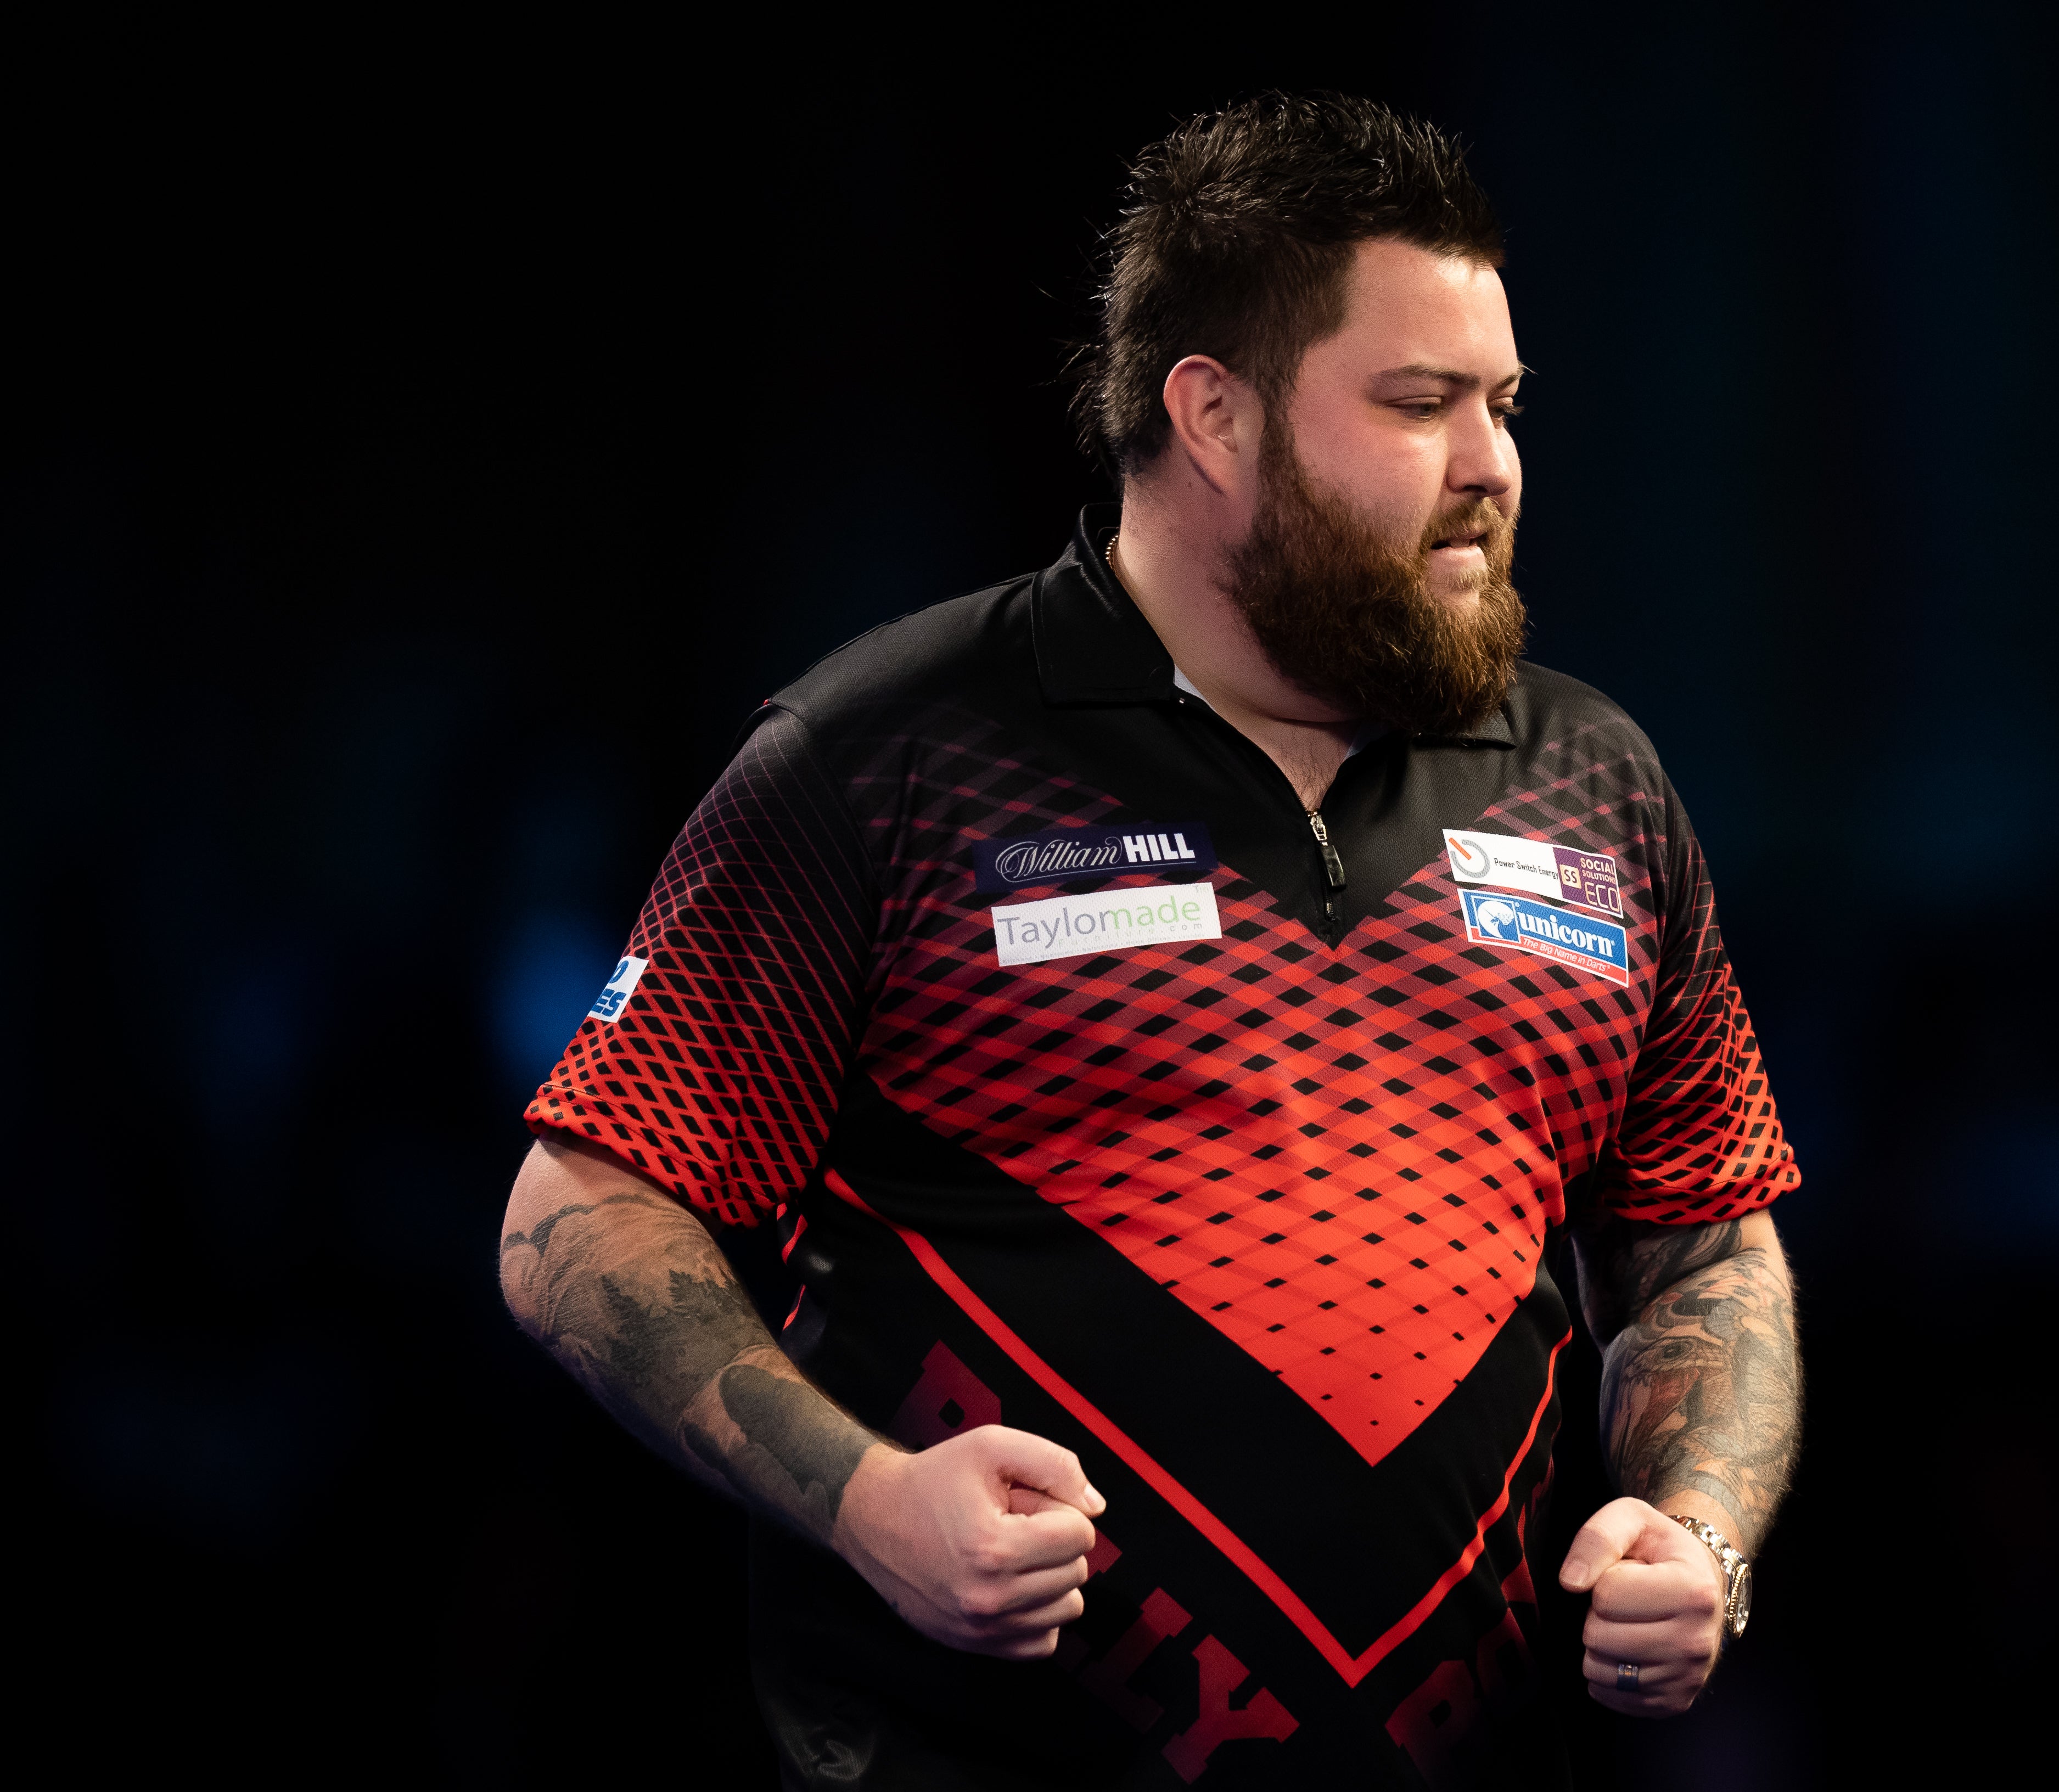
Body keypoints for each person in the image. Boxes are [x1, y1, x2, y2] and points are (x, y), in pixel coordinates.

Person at [498, 92, 1801, 1791]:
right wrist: (866, 1496)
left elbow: (1709, 1242)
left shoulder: (1591, 777)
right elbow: (577, 1213)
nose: (1490, 464)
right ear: (1215, 415)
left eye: (1502, 404)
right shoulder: (891, 748)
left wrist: (1697, 1528)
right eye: (1418, 404)